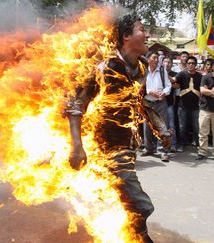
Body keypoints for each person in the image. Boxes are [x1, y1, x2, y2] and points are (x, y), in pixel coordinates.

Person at [65, 13, 170, 242]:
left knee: (123, 200)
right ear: (126, 37)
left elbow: (139, 102)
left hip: (128, 146)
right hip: (106, 147)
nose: (148, 34)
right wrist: (76, 147)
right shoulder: (103, 67)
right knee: (141, 205)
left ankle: (130, 236)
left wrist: (159, 127)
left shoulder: (142, 68)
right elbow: (76, 107)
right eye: (142, 29)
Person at [141, 51, 171, 162]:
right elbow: (140, 86)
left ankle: (163, 151)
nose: (156, 59)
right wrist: (150, 92)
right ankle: (149, 149)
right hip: (148, 102)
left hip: (161, 103)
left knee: (162, 127)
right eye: (154, 57)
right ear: (148, 59)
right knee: (147, 127)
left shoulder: (162, 71)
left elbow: (168, 86)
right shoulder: (143, 71)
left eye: (157, 58)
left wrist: (164, 93)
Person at [197, 57, 214, 161]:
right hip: (205, 109)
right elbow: (202, 90)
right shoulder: (206, 77)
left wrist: (212, 91)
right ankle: (202, 152)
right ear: (212, 66)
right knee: (203, 132)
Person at [175, 56, 202, 147]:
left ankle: (199, 145)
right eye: (189, 63)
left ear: (196, 65)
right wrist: (164, 74)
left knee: (196, 127)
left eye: (193, 63)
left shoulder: (200, 76)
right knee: (182, 127)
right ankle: (182, 144)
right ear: (186, 64)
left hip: (196, 106)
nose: (191, 65)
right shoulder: (182, 74)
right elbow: (173, 80)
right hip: (183, 106)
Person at [163, 56, 180, 152]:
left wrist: (167, 79)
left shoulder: (175, 74)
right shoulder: (158, 73)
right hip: (159, 102)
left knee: (171, 124)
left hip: (169, 102)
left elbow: (178, 85)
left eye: (169, 62)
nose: (167, 64)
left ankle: (173, 144)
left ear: (171, 64)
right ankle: (162, 145)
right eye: (165, 61)